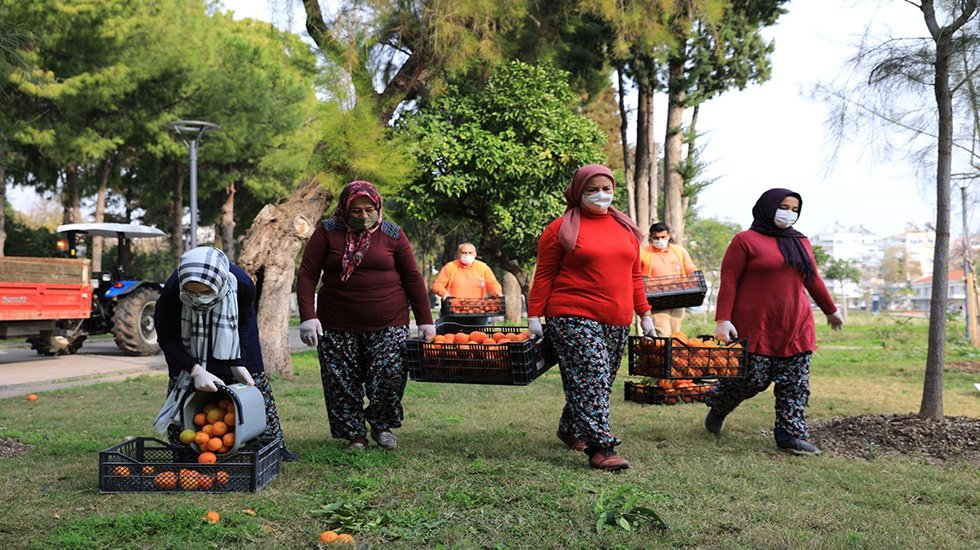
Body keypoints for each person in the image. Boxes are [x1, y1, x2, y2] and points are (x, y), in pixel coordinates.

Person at [528, 163, 657, 471]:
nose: (601, 195)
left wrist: (645, 314)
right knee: (593, 376)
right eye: (592, 190)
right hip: (572, 314)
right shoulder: (559, 229)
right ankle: (601, 447)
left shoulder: (626, 228)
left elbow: (634, 276)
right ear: (578, 192)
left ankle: (570, 428)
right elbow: (544, 275)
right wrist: (534, 316)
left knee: (600, 380)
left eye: (606, 189)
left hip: (617, 317)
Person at [296, 181, 435, 451]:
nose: (363, 216)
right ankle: (354, 435)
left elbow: (412, 277)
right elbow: (307, 274)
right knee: (341, 381)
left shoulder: (393, 233)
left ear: (378, 207)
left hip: (389, 321)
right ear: (345, 208)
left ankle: (382, 426)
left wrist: (426, 321)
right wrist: (308, 316)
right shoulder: (327, 231)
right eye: (356, 211)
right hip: (336, 323)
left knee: (389, 376)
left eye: (369, 210)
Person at [705, 188, 844, 455]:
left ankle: (790, 435)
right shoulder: (745, 241)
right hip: (755, 325)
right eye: (784, 207)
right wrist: (723, 320)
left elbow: (812, 278)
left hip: (796, 324)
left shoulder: (801, 241)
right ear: (768, 207)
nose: (789, 213)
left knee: (795, 384)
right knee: (751, 379)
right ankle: (720, 404)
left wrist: (830, 309)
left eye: (795, 210)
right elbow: (729, 282)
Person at [155, 246, 298, 462]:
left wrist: (238, 360)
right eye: (191, 292)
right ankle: (187, 449)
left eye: (206, 292)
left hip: (233, 330)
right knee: (185, 384)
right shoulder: (174, 288)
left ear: (219, 283)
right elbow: (166, 336)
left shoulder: (241, 284)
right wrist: (194, 369)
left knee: (254, 384)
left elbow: (244, 321)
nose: (198, 298)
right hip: (187, 338)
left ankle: (270, 446)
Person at [639, 222, 697, 337]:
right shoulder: (644, 253)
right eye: (656, 237)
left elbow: (690, 269)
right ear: (651, 237)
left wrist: (693, 279)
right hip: (657, 301)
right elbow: (637, 274)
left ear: (669, 236)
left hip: (678, 299)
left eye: (663, 237)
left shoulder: (679, 251)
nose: (659, 240)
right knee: (663, 334)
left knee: (676, 335)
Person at [431, 242, 503, 329]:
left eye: (470, 253)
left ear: (475, 254)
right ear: (458, 254)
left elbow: (492, 284)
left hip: (478, 312)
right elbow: (437, 285)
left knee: (476, 336)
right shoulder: (450, 267)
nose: (467, 255)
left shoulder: (483, 268)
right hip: (453, 311)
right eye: (464, 253)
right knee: (451, 336)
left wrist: (497, 292)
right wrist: (444, 293)